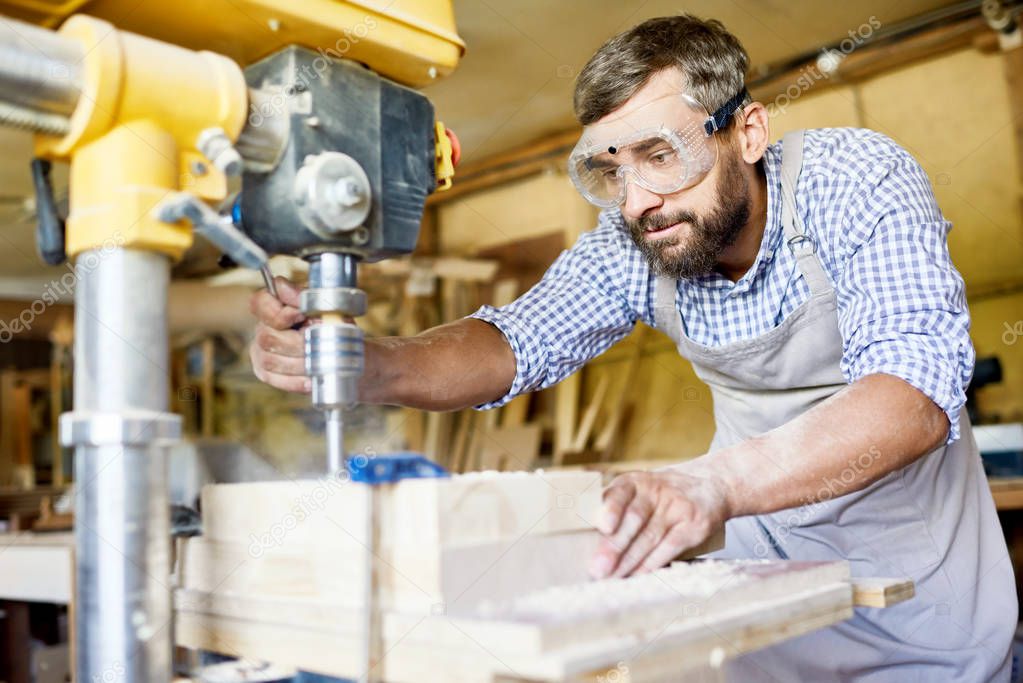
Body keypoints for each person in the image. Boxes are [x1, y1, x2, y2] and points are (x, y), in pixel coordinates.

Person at [249, 15, 1016, 681]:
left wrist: (711, 484)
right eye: (609, 168)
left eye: (658, 154)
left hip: (923, 611)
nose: (636, 198)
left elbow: (911, 394)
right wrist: (368, 361)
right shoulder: (635, 238)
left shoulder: (853, 180)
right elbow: (514, 343)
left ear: (746, 132)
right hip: (763, 606)